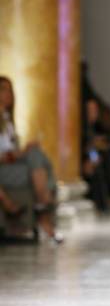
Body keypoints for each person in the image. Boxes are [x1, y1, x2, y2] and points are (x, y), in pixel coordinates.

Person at [0, 76, 64, 243]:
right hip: (4, 168)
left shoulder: (7, 120)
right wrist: (20, 154)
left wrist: (22, 152)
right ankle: (43, 205)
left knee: (38, 157)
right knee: (36, 157)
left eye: (10, 90)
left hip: (12, 165)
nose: (9, 94)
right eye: (4, 89)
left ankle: (42, 203)